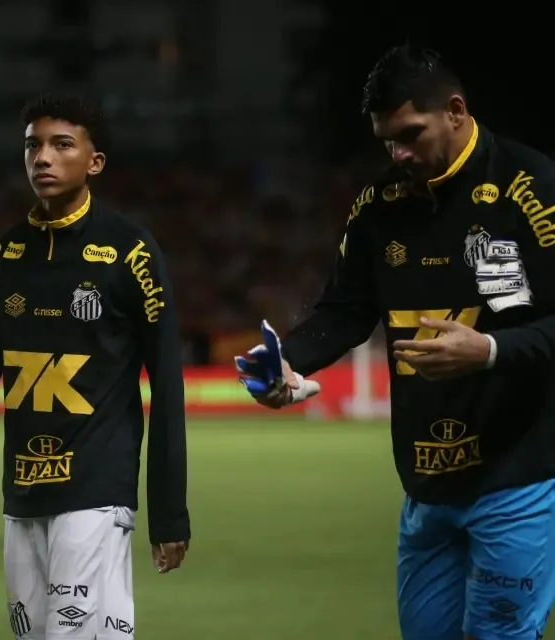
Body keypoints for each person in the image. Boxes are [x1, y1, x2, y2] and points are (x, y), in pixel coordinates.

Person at [242, 43, 555, 640]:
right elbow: (344, 312)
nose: (399, 154)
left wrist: (489, 351)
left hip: (518, 474)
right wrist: (285, 360)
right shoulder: (379, 206)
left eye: (411, 135)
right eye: (387, 141)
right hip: (426, 484)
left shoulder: (534, 188)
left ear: (456, 111)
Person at [0, 93, 191, 639]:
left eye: (61, 145)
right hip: (22, 492)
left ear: (95, 162)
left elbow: (167, 386)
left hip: (97, 490)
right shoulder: (7, 254)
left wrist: (169, 512)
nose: (43, 157)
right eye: (33, 146)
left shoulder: (130, 252)